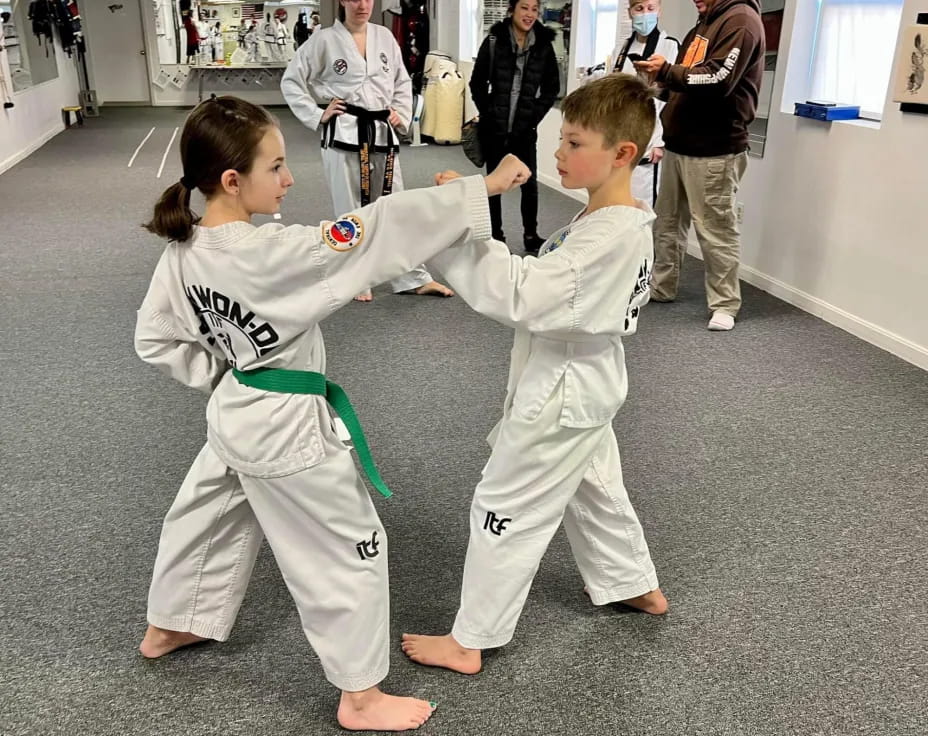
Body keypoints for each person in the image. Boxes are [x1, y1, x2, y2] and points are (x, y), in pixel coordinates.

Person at [135, 95, 530, 730]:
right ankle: (362, 696)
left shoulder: (183, 250)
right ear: (232, 181)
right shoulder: (273, 253)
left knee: (205, 516)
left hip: (236, 412)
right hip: (289, 429)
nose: (290, 179)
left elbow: (154, 339)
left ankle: (170, 626)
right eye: (277, 166)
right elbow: (376, 228)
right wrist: (479, 189)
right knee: (350, 550)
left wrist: (230, 370)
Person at [401, 74, 668, 676]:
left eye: (575, 143)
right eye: (562, 140)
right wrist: (469, 216)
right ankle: (633, 583)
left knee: (503, 506)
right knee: (594, 486)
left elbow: (522, 293)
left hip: (562, 393)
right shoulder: (612, 221)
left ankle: (471, 639)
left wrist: (455, 224)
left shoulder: (609, 235)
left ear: (622, 154)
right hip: (586, 385)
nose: (559, 153)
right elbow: (542, 282)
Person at [281, 0, 453, 302]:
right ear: (342, 2)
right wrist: (316, 113)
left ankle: (410, 276)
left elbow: (401, 81)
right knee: (350, 209)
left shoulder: (385, 37)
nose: (362, 4)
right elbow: (292, 81)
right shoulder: (323, 40)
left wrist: (400, 112)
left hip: (381, 130)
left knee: (395, 206)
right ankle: (356, 278)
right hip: (344, 131)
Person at [633, 0, 764, 331]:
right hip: (679, 143)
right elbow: (688, 82)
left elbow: (719, 79)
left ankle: (725, 303)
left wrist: (666, 71)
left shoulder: (741, 21)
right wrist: (658, 82)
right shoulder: (705, 23)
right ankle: (662, 286)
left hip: (715, 149)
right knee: (667, 223)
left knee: (715, 229)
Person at [470, 0, 560, 255]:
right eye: (525, 8)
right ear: (512, 10)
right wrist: (488, 113)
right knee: (493, 184)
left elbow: (552, 87)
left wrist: (534, 115)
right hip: (495, 128)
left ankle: (531, 234)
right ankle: (495, 234)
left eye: (534, 9)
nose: (530, 14)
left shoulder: (543, 45)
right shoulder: (494, 41)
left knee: (529, 184)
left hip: (525, 128)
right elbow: (476, 83)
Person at [606, 0, 678, 206]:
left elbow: (669, 99)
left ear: (659, 11)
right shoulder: (622, 47)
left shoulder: (669, 46)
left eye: (650, 8)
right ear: (630, 12)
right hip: (619, 137)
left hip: (649, 142)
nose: (645, 13)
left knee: (641, 206)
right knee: (616, 202)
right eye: (639, 9)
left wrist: (659, 140)